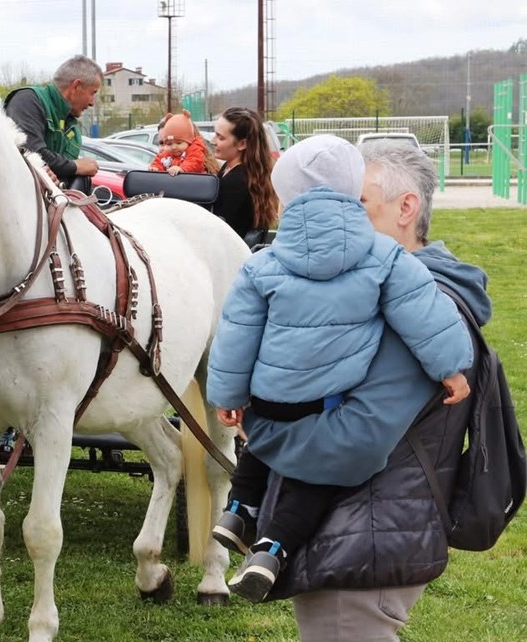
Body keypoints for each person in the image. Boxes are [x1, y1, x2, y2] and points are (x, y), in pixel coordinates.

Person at [244, 140, 492, 642]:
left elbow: (351, 440)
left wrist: (264, 428)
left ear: (406, 208)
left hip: (362, 543)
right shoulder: (372, 297)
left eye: (354, 202)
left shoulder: (423, 309)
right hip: (358, 531)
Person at [206, 135, 473, 603]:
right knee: (317, 471)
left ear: (284, 194)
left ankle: (238, 509)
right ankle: (272, 547)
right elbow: (423, 315)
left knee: (263, 442)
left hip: (270, 398)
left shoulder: (263, 263)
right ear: (353, 189)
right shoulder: (384, 256)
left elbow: (236, 333)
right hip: (324, 401)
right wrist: (451, 367)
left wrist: (228, 395)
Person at [3, 55, 102, 184]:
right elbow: (31, 154)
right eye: (92, 93)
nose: (92, 103)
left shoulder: (70, 124)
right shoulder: (27, 101)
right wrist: (75, 166)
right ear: (76, 86)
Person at [210, 106, 279, 240]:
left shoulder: (237, 181)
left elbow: (221, 228)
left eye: (220, 138)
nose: (213, 141)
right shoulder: (243, 171)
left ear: (242, 144)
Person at [149, 110, 218, 175]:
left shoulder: (195, 154)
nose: (173, 147)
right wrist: (155, 168)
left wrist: (182, 169)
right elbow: (159, 161)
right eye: (163, 143)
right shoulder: (167, 154)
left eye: (178, 143)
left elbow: (194, 161)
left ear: (190, 141)